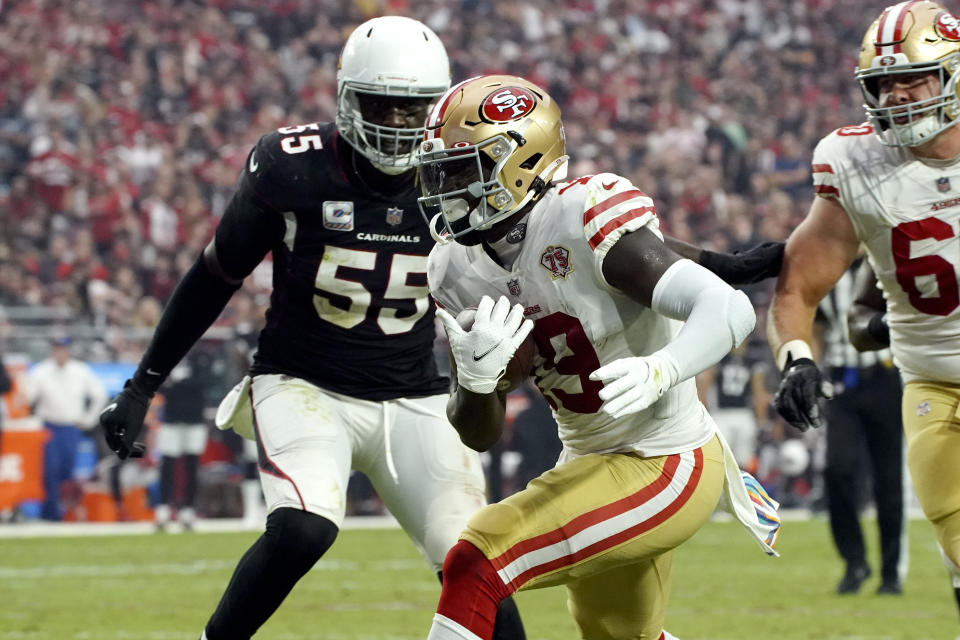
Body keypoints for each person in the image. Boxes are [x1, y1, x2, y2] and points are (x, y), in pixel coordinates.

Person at [98, 16, 527, 640]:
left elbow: (544, 257)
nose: (399, 124)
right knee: (304, 526)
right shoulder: (291, 167)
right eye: (384, 106)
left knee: (478, 564)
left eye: (414, 110)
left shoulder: (463, 173)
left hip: (413, 393)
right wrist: (143, 386)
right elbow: (216, 275)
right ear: (348, 99)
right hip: (304, 385)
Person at [419, 74, 780, 640]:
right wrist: (475, 380)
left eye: (464, 170)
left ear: (523, 161)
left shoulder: (585, 213)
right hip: (589, 460)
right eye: (440, 172)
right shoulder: (453, 268)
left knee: (476, 560)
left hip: (665, 457)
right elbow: (479, 433)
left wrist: (662, 367)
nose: (446, 188)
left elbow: (728, 308)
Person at [767, 0, 960, 627]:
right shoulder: (853, 162)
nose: (898, 96)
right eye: (884, 83)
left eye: (914, 78)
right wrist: (796, 358)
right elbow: (798, 288)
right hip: (936, 385)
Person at [817, 259, 906, 595]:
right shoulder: (827, 268)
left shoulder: (885, 263)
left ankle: (890, 573)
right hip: (842, 381)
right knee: (837, 470)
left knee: (888, 480)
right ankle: (855, 562)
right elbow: (817, 324)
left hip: (884, 378)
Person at [26, 336, 107, 520]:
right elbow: (28, 399)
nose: (61, 353)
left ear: (69, 350)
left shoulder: (80, 371)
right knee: (50, 470)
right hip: (49, 426)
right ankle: (49, 512)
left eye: (64, 349)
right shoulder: (41, 371)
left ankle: (65, 512)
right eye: (57, 349)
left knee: (67, 470)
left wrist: (88, 420)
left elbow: (99, 395)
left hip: (71, 427)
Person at [154, 345, 217, 532]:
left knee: (192, 465)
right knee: (167, 465)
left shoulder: (202, 355)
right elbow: (159, 384)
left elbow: (205, 381)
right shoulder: (167, 354)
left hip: (194, 419)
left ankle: (188, 509)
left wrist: (176, 385)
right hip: (172, 419)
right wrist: (180, 386)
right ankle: (164, 507)